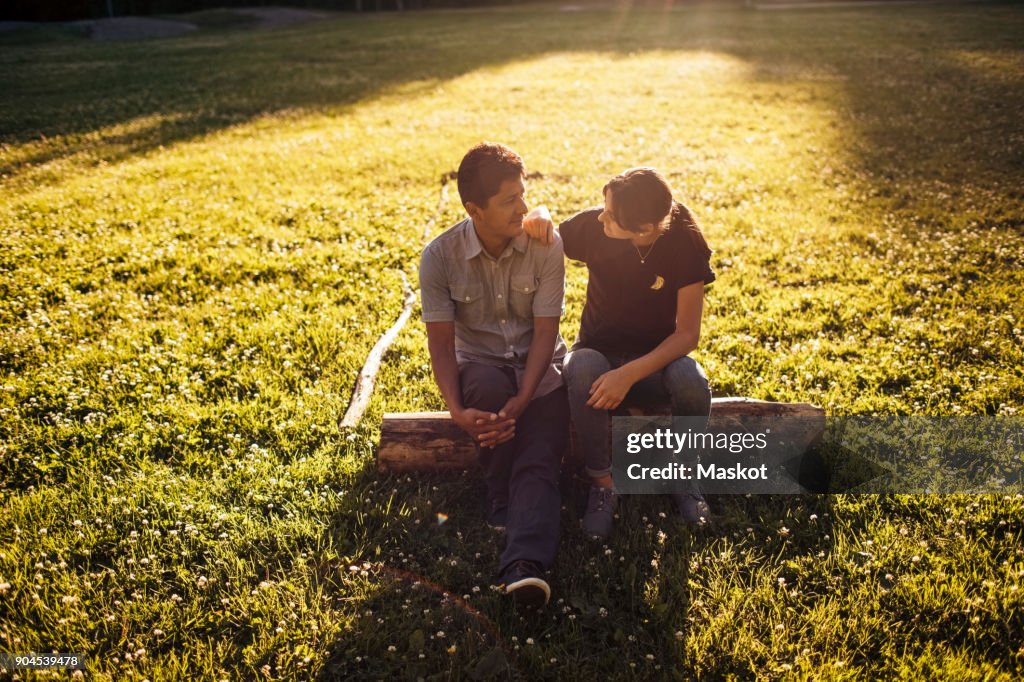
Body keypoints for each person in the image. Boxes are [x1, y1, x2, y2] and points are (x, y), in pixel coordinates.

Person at [524, 168, 715, 539]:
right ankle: (602, 483)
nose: (601, 217)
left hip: (658, 361)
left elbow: (688, 334)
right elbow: (544, 232)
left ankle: (683, 475)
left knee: (691, 380)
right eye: (605, 204)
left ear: (644, 228)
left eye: (610, 215)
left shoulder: (684, 241)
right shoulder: (595, 228)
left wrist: (628, 375)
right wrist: (540, 213)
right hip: (599, 353)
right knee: (579, 367)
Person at [419, 142, 569, 609]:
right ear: (473, 208)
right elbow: (441, 344)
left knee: (540, 456)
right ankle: (499, 491)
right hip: (480, 368)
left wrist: (525, 397)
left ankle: (524, 566)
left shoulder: (544, 244)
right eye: (509, 200)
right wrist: (456, 410)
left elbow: (547, 331)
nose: (522, 208)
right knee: (485, 389)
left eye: (524, 195)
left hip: (540, 370)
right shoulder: (439, 257)